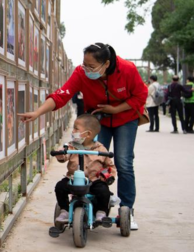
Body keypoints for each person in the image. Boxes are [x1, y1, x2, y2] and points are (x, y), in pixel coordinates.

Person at [19, 43, 147, 230]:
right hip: (97, 122)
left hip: (125, 119)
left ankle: (127, 209)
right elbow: (61, 95)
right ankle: (93, 203)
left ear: (106, 63)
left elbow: (140, 96)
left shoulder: (127, 69)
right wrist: (38, 112)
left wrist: (116, 109)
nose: (86, 70)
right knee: (90, 160)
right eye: (84, 64)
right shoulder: (81, 73)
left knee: (123, 162)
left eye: (91, 66)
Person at [54, 115, 116, 223]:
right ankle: (65, 210)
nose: (73, 131)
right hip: (73, 180)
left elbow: (110, 166)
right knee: (60, 187)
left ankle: (101, 212)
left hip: (93, 181)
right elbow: (64, 157)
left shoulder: (101, 149)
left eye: (76, 129)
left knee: (104, 191)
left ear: (88, 134)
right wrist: (60, 153)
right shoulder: (71, 146)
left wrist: (109, 176)